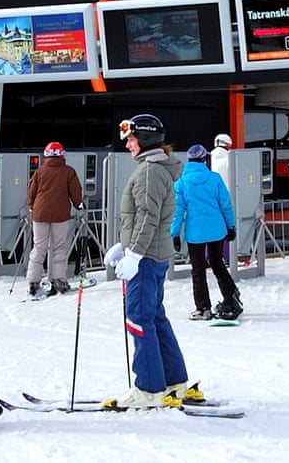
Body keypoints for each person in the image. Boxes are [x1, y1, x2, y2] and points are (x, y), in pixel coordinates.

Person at [103, 114, 196, 409]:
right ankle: (173, 380)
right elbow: (145, 218)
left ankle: (149, 387)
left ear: (144, 140)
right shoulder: (157, 168)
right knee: (155, 317)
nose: (128, 145)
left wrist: (134, 253)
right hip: (153, 253)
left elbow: (147, 216)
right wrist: (125, 244)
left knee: (139, 319)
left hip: (145, 258)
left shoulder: (148, 172)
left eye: (131, 139)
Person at [171, 144, 241, 322]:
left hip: (195, 232)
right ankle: (231, 295)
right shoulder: (214, 178)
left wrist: (175, 233)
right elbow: (225, 204)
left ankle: (203, 308)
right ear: (205, 159)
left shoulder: (181, 183)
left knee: (198, 269)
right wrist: (231, 226)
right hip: (217, 229)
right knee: (217, 264)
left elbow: (177, 211)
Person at [25, 141, 84, 297]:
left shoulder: (39, 172)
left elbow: (31, 192)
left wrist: (31, 206)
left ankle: (33, 282)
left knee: (39, 247)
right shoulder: (68, 171)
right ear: (62, 155)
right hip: (60, 215)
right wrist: (78, 204)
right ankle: (59, 281)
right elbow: (76, 192)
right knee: (59, 247)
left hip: (39, 213)